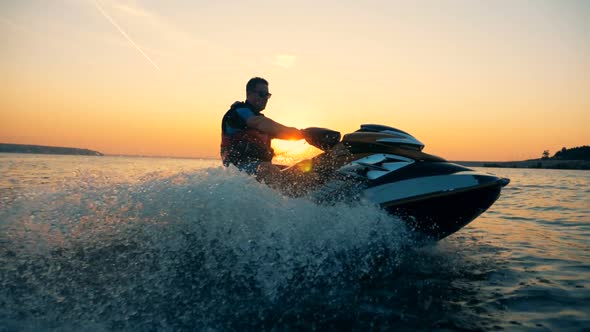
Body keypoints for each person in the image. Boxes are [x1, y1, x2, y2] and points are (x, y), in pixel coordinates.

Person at [221, 77, 313, 192]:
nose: (265, 98)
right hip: (238, 171)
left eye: (267, 95)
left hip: (259, 168)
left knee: (302, 170)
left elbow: (282, 133)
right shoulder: (239, 112)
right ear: (249, 94)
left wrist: (311, 137)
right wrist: (302, 133)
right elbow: (260, 123)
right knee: (268, 168)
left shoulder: (260, 119)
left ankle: (311, 194)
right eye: (261, 94)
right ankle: (286, 200)